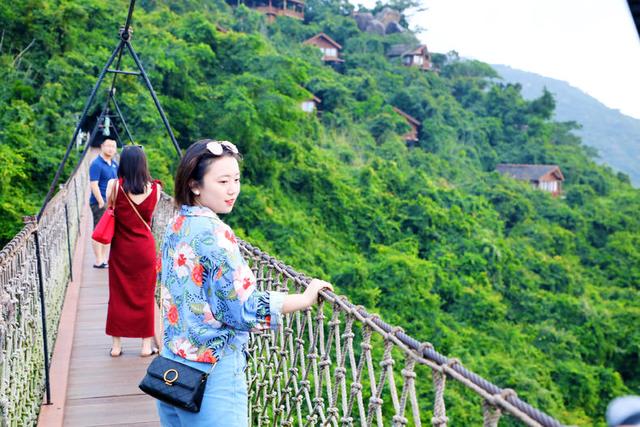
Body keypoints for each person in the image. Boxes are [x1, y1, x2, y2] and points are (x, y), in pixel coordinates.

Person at [156, 139, 333, 426]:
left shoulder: (177, 223)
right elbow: (243, 309)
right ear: (195, 185)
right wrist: (304, 298)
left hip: (172, 370)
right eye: (223, 180)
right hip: (211, 378)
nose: (232, 189)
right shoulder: (216, 233)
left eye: (236, 179)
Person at [104, 145, 162, 357]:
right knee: (145, 296)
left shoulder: (114, 186)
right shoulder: (156, 190)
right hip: (145, 250)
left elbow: (110, 210)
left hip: (121, 249)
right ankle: (146, 346)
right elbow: (149, 216)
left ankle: (117, 346)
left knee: (118, 295)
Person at [89, 138, 118, 268]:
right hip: (99, 203)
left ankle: (104, 259)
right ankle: (98, 260)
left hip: (112, 203)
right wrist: (101, 201)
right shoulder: (96, 164)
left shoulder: (114, 164)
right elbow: (93, 184)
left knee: (108, 231)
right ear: (102, 146)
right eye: (108, 146)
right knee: (98, 230)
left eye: (113, 146)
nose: (111, 149)